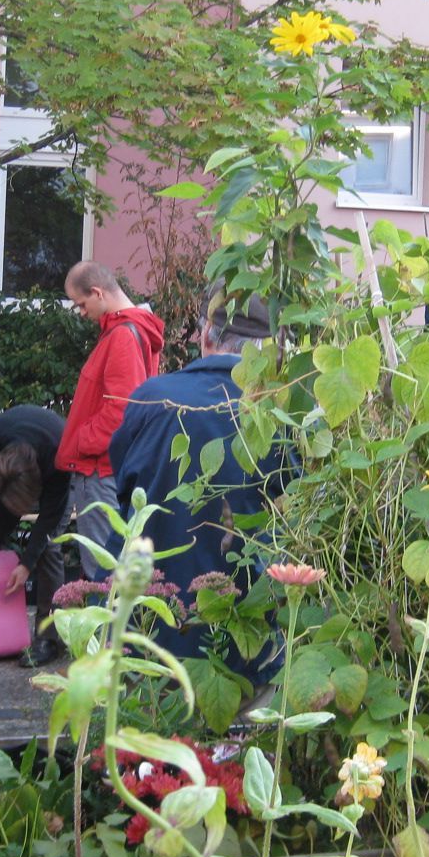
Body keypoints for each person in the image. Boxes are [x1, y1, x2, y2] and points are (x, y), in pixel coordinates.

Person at [108, 289, 285, 676]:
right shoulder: (280, 412)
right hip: (248, 631)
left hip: (152, 629)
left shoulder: (153, 399)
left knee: (145, 733)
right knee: (242, 733)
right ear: (266, 350)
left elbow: (125, 490)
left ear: (206, 334)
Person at [56, 261, 164, 576]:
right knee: (111, 570)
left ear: (98, 293)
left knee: (104, 574)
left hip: (101, 470)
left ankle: (107, 628)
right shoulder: (130, 332)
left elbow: (121, 410)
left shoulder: (122, 336)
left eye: (82, 303)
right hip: (107, 467)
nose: (82, 312)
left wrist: (80, 441)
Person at [0, 405, 71, 667]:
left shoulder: (59, 461)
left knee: (48, 550)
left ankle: (48, 638)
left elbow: (47, 523)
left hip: (54, 462)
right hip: (1, 473)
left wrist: (27, 564)